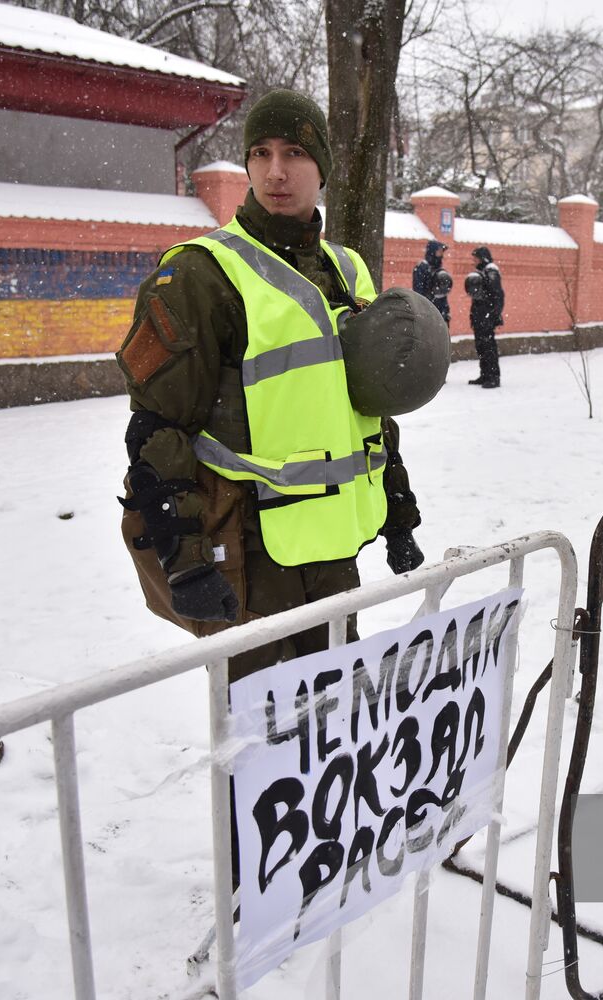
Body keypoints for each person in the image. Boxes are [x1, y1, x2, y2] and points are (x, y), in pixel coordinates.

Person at [115, 89, 425, 684]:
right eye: (260, 152)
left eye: (295, 154)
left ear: (323, 169)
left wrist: (397, 509)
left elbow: (365, 409)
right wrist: (184, 559)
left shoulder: (346, 268)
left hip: (334, 550)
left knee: (334, 722)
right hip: (254, 553)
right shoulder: (199, 275)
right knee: (262, 738)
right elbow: (157, 428)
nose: (275, 171)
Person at [465, 245, 504, 387]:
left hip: (487, 318)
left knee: (489, 348)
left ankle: (493, 377)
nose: (473, 261)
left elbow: (498, 296)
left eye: (475, 258)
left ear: (482, 258)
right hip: (480, 317)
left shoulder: (491, 271)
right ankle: (484, 375)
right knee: (481, 347)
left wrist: (493, 315)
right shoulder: (482, 271)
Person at [412, 239, 451, 323]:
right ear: (432, 252)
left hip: (440, 314)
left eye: (442, 252)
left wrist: (446, 311)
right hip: (427, 313)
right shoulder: (422, 268)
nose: (441, 255)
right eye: (439, 251)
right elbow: (418, 291)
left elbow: (443, 294)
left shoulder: (439, 269)